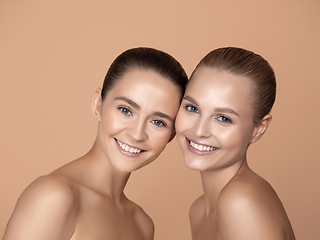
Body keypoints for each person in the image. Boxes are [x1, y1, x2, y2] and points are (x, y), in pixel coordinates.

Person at [3, 47, 188, 240]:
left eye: (158, 122)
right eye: (125, 110)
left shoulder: (142, 224)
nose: (136, 133)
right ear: (98, 104)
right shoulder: (55, 197)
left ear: (171, 135)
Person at [175, 47, 295, 240]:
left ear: (259, 128)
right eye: (192, 108)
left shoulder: (241, 201)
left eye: (223, 118)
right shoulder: (198, 210)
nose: (199, 131)